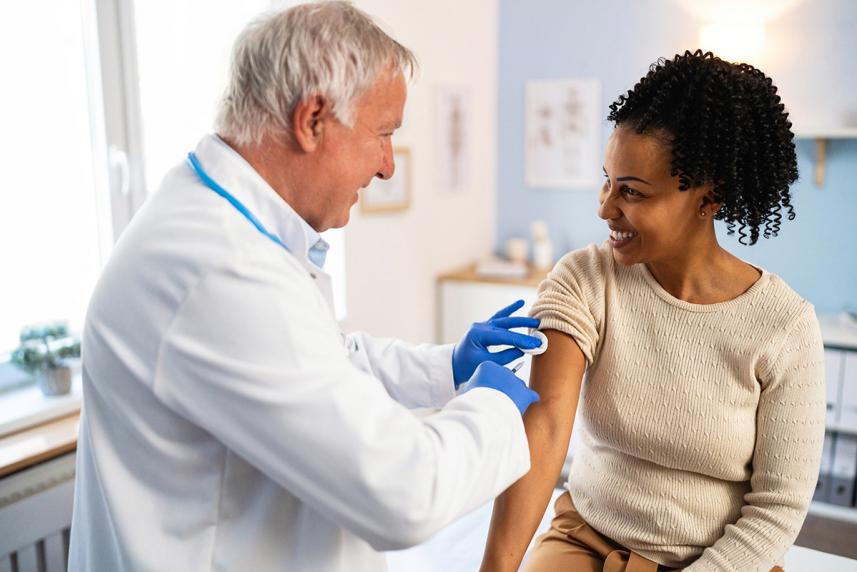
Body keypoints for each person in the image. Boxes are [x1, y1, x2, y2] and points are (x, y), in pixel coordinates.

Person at [68, 2, 542, 571]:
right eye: (383, 134)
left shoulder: (233, 230)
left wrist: (448, 369)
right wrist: (494, 403)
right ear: (313, 118)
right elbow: (403, 494)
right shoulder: (215, 269)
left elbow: (317, 366)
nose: (389, 166)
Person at [480, 50, 825, 572]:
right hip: (587, 539)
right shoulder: (584, 280)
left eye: (632, 192)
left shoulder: (784, 326)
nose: (605, 207)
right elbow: (546, 427)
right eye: (607, 180)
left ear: (709, 197)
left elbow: (777, 509)